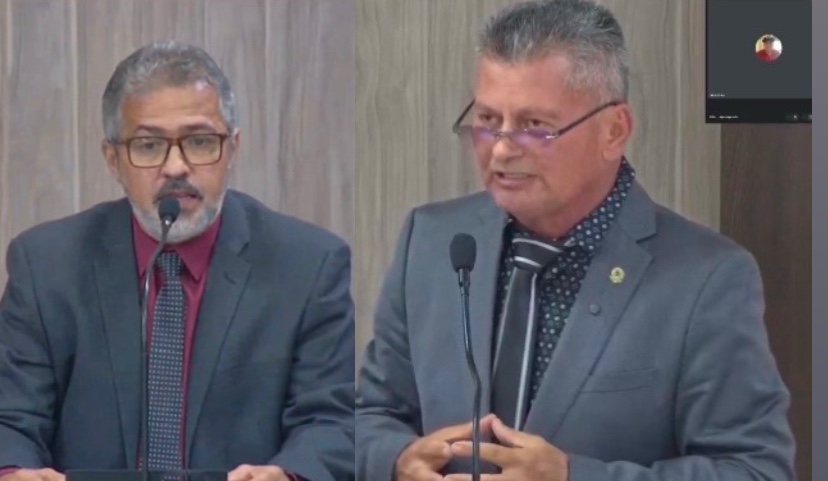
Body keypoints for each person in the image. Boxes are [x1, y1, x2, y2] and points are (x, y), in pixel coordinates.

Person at [355, 1, 795, 480]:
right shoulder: (433, 241)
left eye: (535, 126)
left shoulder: (707, 279)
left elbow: (755, 470)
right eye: (487, 120)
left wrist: (573, 476)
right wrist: (396, 460)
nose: (501, 149)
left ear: (614, 131)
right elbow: (367, 416)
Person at [0, 41, 355, 481]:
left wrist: (289, 473)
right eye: (149, 145)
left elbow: (331, 421)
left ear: (233, 148)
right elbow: (10, 416)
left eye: (200, 142)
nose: (175, 167)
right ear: (113, 160)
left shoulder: (309, 266)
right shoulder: (46, 266)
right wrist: (14, 471)